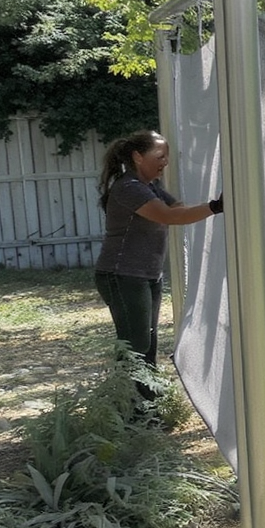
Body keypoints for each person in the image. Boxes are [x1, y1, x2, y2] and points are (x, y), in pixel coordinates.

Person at [94, 130, 222, 404]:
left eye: (167, 156)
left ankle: (147, 403)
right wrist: (214, 206)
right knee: (135, 346)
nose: (166, 162)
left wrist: (186, 209)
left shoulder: (149, 187)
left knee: (146, 343)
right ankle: (128, 406)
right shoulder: (129, 188)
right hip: (122, 275)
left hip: (145, 275)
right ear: (138, 157)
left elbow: (176, 207)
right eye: (160, 156)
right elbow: (169, 215)